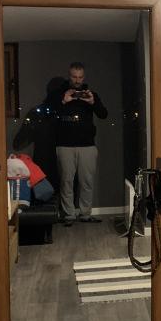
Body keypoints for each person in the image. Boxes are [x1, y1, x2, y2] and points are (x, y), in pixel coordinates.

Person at [49, 62, 107, 224]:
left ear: (84, 77)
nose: (77, 80)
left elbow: (103, 114)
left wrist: (93, 102)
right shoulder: (59, 94)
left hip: (87, 145)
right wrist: (63, 101)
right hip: (64, 145)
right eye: (74, 77)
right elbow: (49, 113)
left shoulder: (90, 95)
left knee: (87, 182)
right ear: (69, 76)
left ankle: (85, 214)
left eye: (80, 77)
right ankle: (68, 214)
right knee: (66, 181)